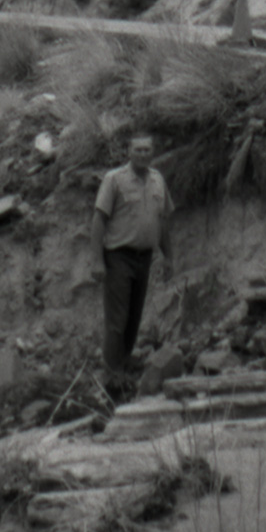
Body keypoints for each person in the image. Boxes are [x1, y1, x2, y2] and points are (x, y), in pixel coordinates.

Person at [92, 131, 175, 401]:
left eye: (147, 149)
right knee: (117, 320)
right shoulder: (114, 180)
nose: (143, 154)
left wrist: (169, 257)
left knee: (134, 318)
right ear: (129, 152)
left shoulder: (158, 180)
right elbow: (98, 220)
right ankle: (111, 377)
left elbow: (163, 222)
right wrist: (97, 260)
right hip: (118, 256)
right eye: (138, 149)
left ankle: (123, 369)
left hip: (144, 258)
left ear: (153, 151)